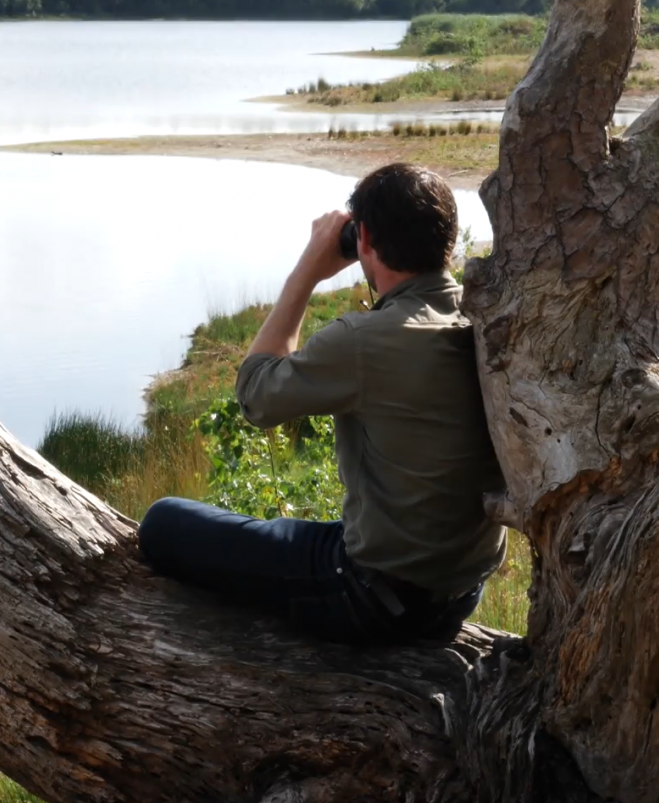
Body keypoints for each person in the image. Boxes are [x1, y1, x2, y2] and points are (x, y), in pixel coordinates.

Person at [138, 162, 505, 646]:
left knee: (163, 522)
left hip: (373, 600)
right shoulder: (485, 316)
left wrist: (309, 268)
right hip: (459, 592)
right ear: (449, 240)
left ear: (364, 237)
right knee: (296, 533)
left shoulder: (364, 340)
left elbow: (255, 396)